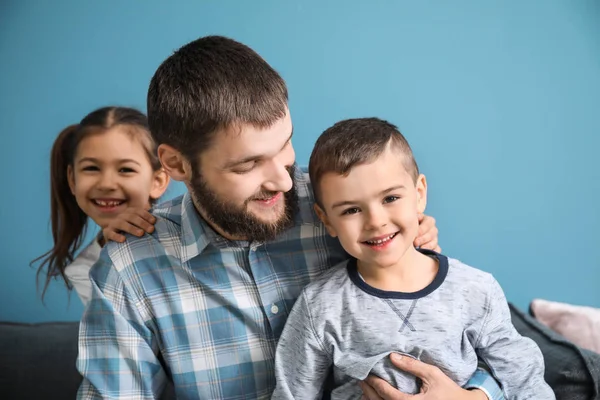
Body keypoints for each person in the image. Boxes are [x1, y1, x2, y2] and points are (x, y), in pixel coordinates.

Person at [76, 36, 503, 400]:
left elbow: (473, 334)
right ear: (177, 165)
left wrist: (476, 396)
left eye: (285, 145)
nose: (282, 180)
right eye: (247, 165)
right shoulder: (130, 274)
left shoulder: (343, 208)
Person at [271, 117, 555, 399]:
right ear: (327, 220)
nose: (376, 221)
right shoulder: (320, 306)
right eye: (351, 210)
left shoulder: (476, 290)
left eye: (390, 198)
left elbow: (526, 382)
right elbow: (292, 394)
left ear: (419, 194)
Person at [31, 106, 169, 304]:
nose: (106, 184)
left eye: (125, 169)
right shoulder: (86, 270)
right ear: (72, 179)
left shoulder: (189, 231)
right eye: (91, 168)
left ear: (157, 181)